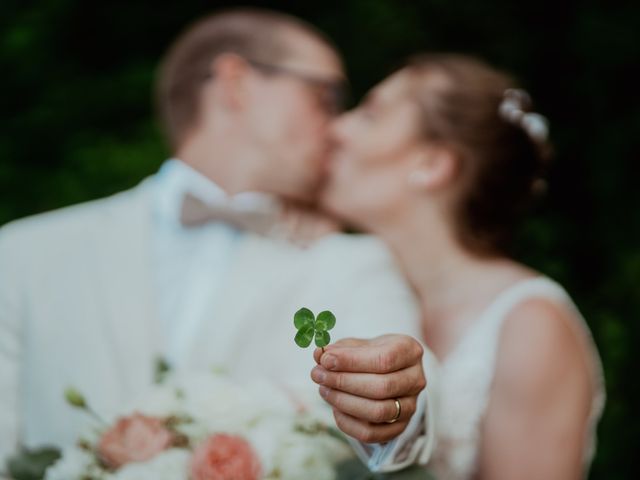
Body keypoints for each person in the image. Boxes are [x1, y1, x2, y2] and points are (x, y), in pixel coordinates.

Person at [0, 8, 435, 474]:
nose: (337, 126)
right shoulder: (23, 254)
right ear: (236, 82)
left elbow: (412, 388)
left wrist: (395, 402)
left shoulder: (351, 261)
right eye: (325, 96)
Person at [318, 53, 605, 479]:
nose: (336, 128)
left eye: (371, 114)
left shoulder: (529, 325)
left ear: (431, 164)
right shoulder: (350, 283)